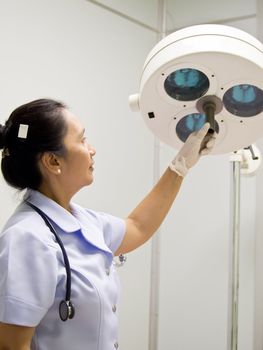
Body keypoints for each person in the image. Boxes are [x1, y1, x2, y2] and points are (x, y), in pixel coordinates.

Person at [0, 98, 215, 350]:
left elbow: (138, 226)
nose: (92, 150)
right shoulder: (27, 238)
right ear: (53, 162)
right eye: (82, 140)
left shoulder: (84, 221)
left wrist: (181, 164)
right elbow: (13, 345)